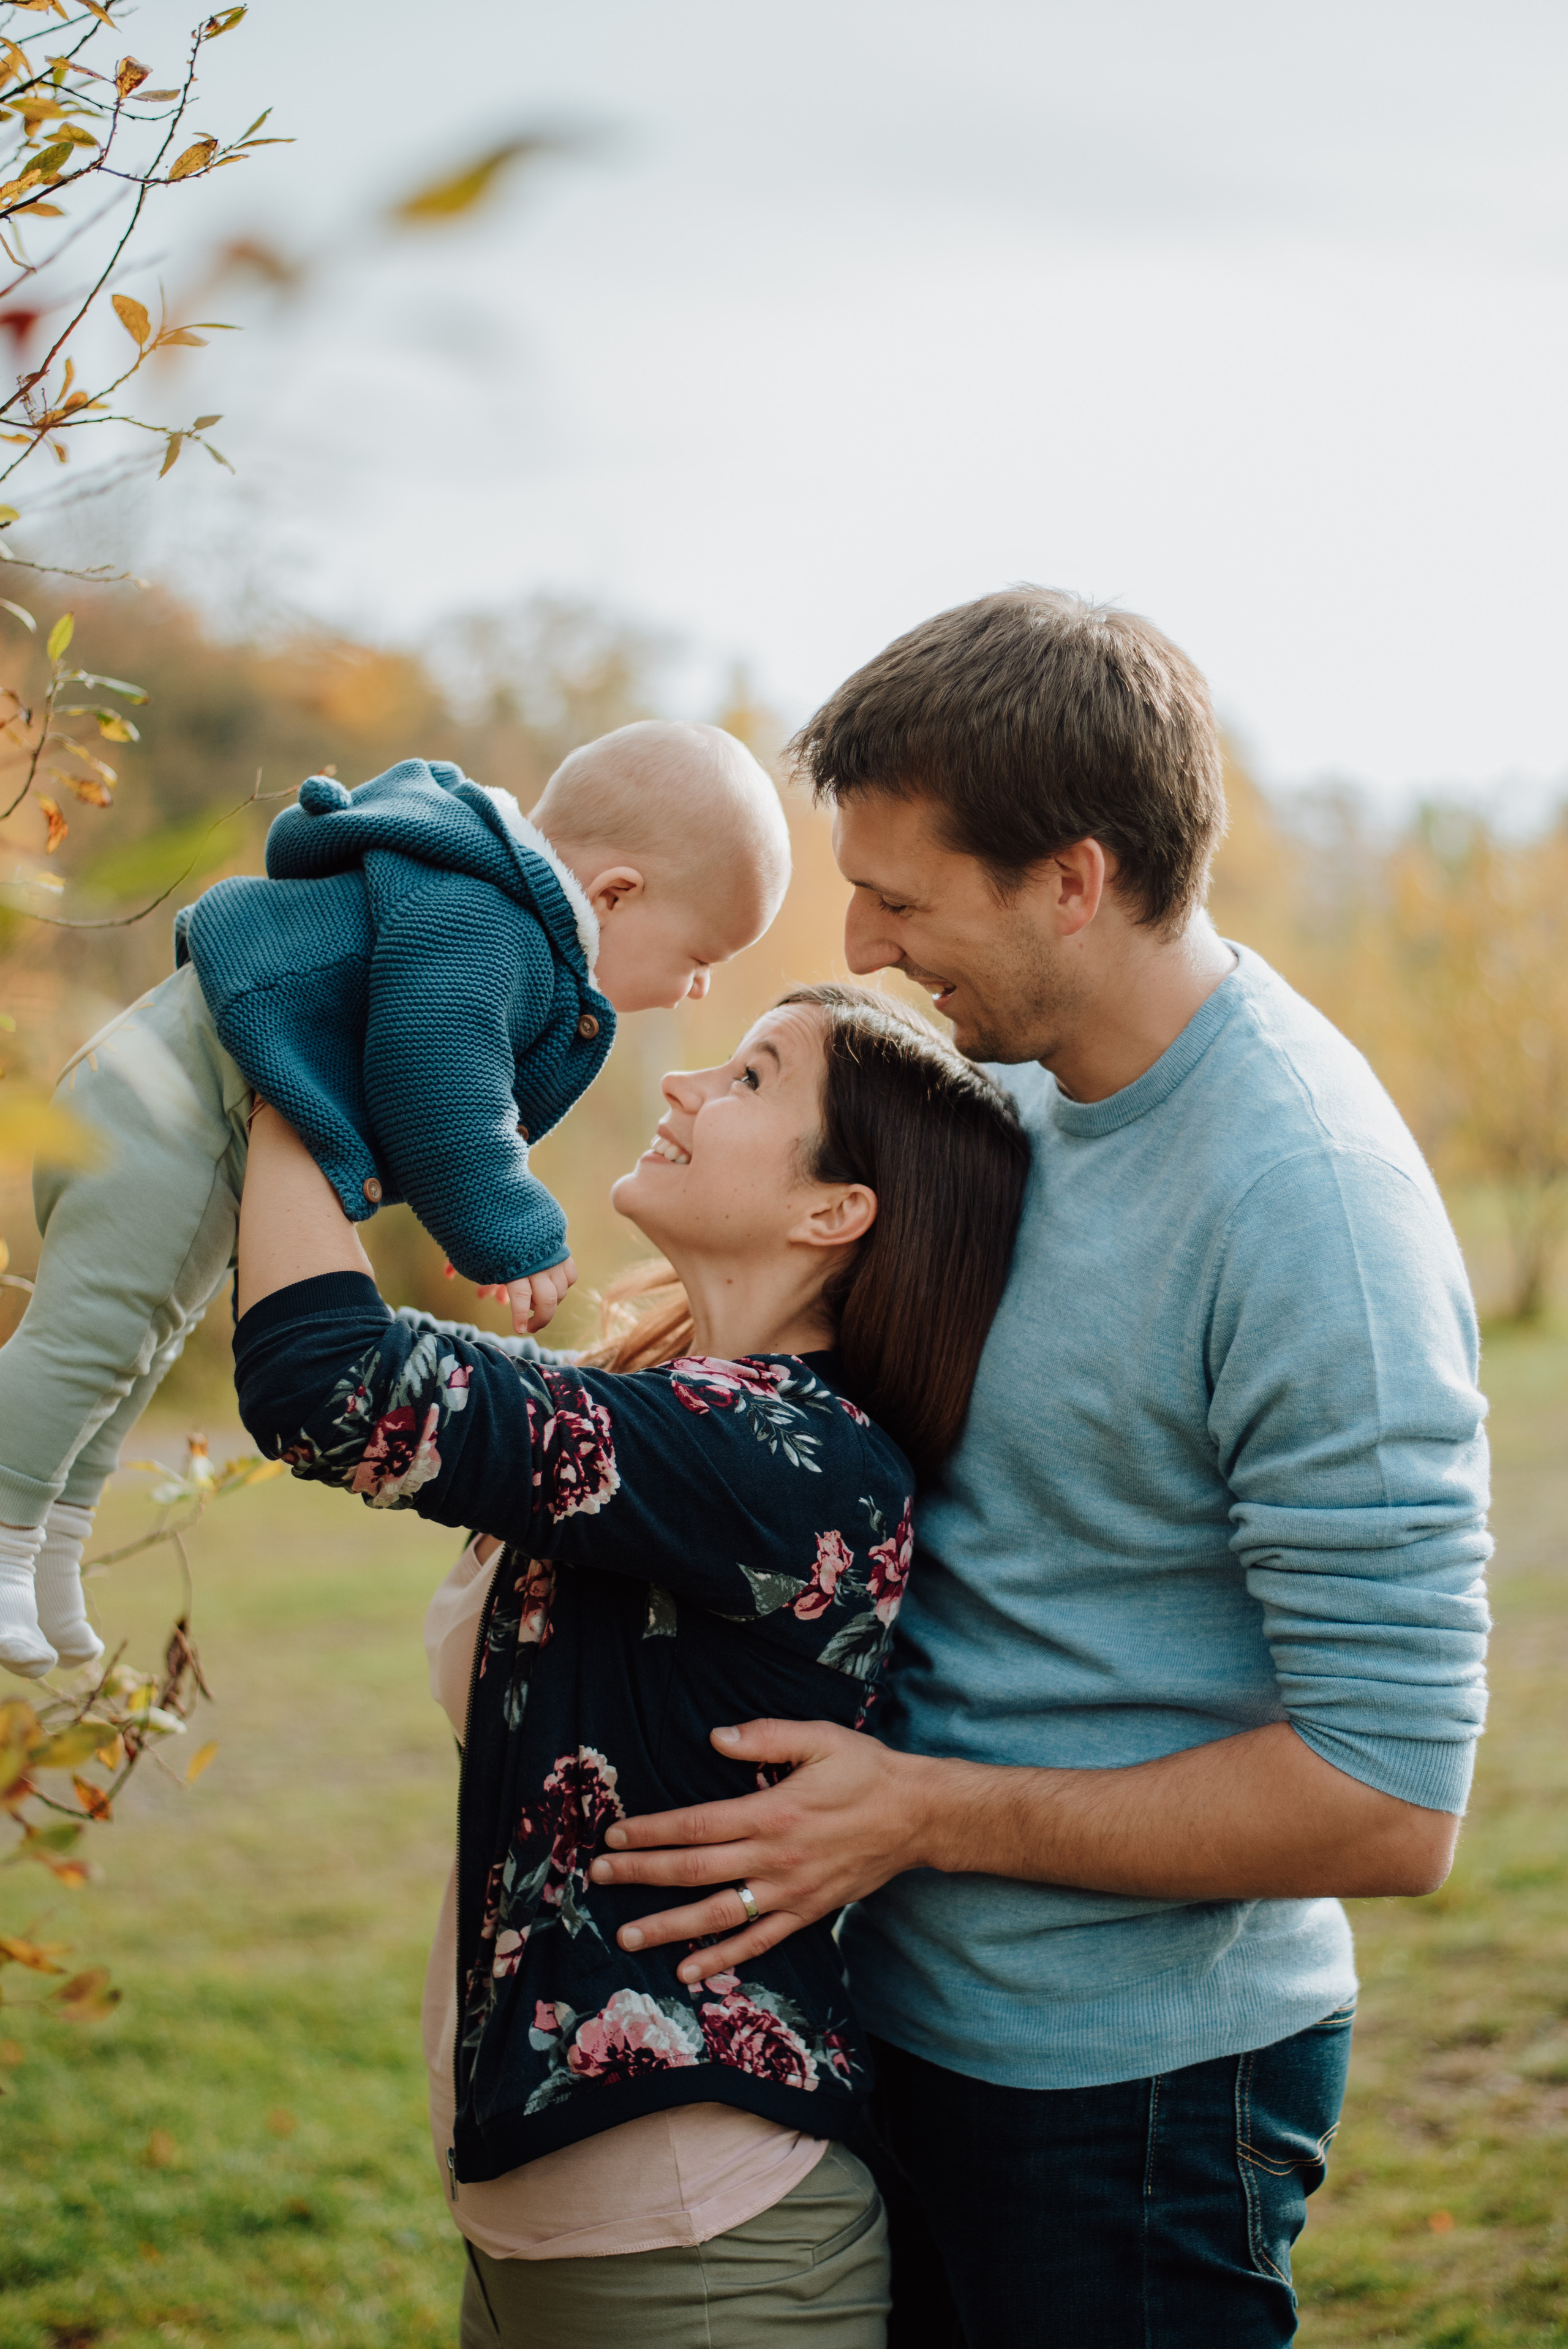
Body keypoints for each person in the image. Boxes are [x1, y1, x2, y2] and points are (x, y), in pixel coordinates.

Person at [583, 591, 1494, 2347]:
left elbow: (1387, 1800)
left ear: (1072, 881)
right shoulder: (1011, 1100)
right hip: (884, 2017)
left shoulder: (1306, 1206)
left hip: (1128, 2102)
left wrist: (920, 1811)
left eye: (902, 897)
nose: (859, 939)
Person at [233, 981, 1030, 2347]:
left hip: (695, 2252)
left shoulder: (786, 1453)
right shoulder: (685, 1423)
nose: (681, 1084)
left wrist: (283, 1058)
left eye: (751, 1078)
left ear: (835, 1210)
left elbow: (332, 1381)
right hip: (575, 2231)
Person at [0, 720, 788, 1678]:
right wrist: (515, 1231)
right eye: (702, 955)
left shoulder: (491, 913)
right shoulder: (487, 919)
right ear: (616, 894)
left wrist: (458, 1200)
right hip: (166, 1102)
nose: (700, 987)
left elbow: (433, 1093)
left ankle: (47, 1544)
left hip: (193, 1120)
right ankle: (3, 1529)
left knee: (135, 1351)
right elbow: (438, 1083)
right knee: (90, 1336)